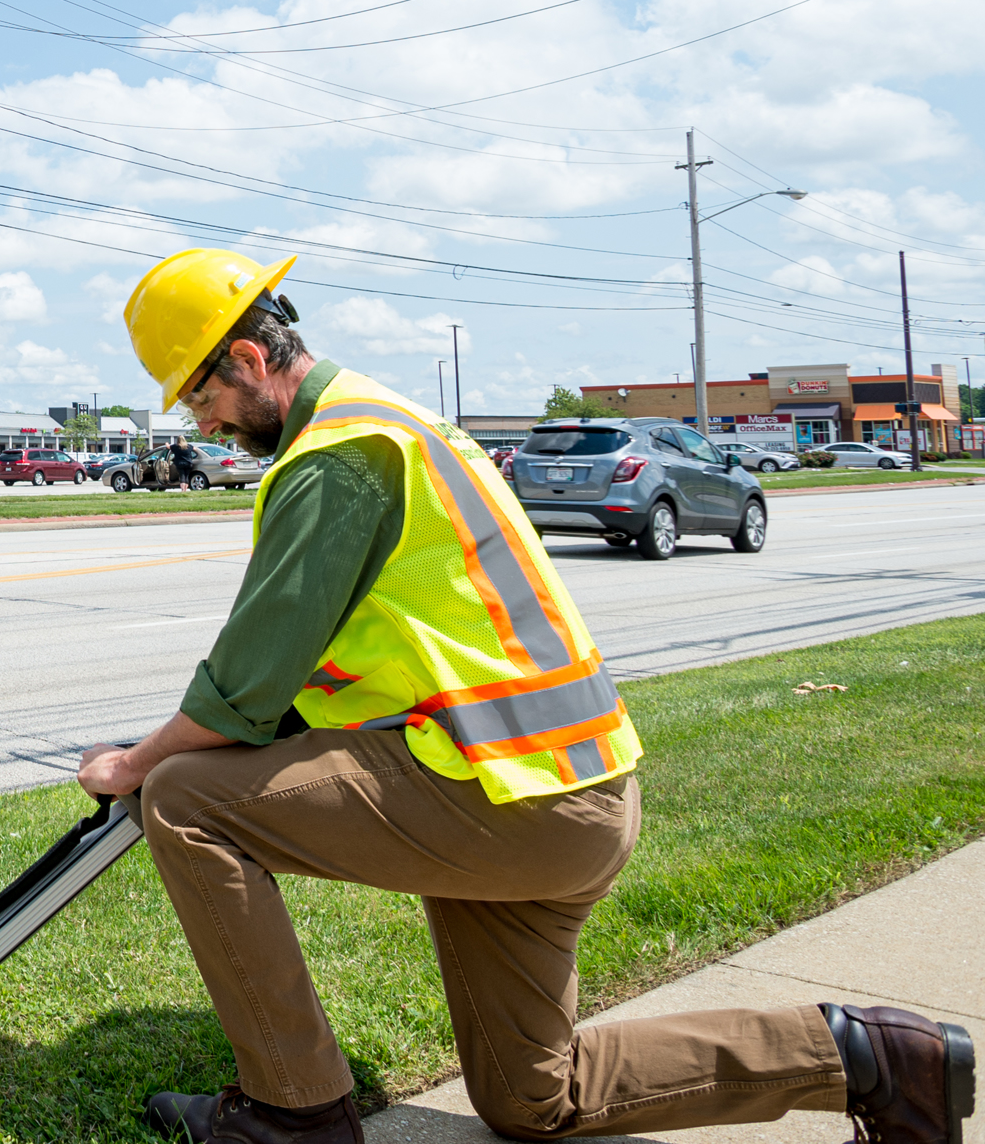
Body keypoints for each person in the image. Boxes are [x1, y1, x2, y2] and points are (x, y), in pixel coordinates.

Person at [82, 248, 974, 1144]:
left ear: (247, 360)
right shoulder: (397, 422)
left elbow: (247, 682)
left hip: (500, 793)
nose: (210, 425)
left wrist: (135, 760)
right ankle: (873, 1058)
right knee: (534, 1100)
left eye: (203, 398)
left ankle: (292, 1113)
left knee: (188, 800)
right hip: (574, 792)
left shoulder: (337, 457)